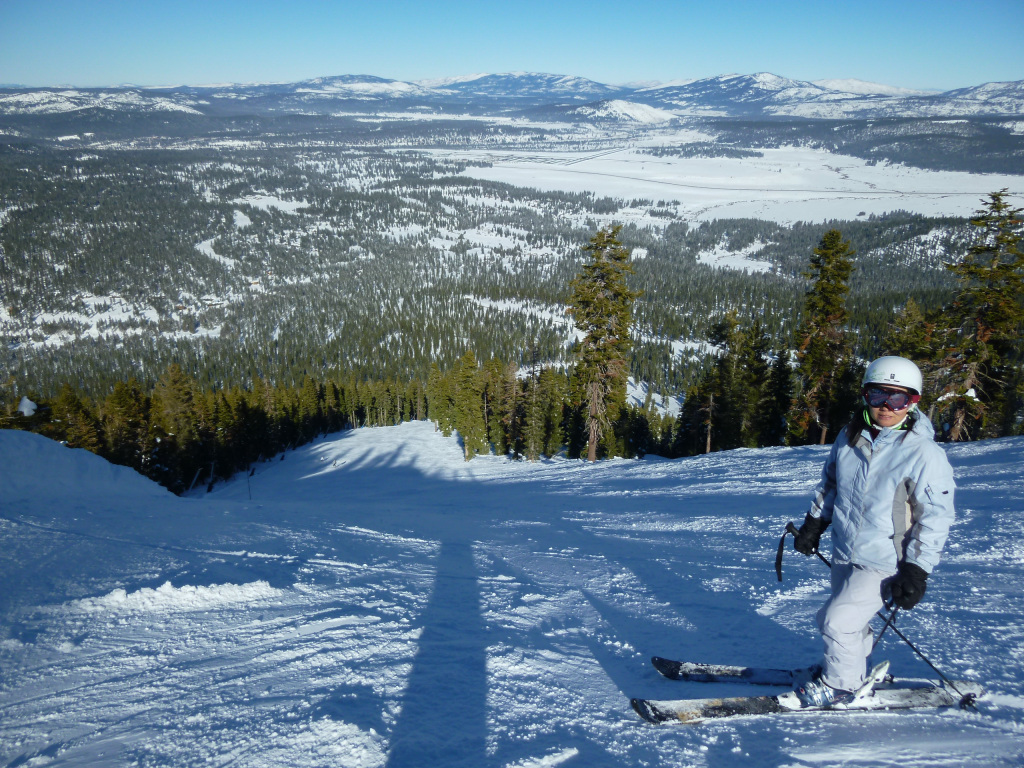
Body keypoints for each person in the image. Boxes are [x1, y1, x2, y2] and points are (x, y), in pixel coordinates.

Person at [791, 356, 956, 706]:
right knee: (841, 620)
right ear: (865, 395)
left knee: (837, 622)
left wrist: (916, 570)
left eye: (897, 398)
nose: (885, 406)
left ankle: (842, 686)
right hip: (845, 551)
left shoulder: (924, 453)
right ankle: (851, 668)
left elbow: (936, 516)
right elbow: (830, 485)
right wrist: (814, 524)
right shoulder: (849, 436)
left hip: (885, 559)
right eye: (877, 394)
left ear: (913, 402)